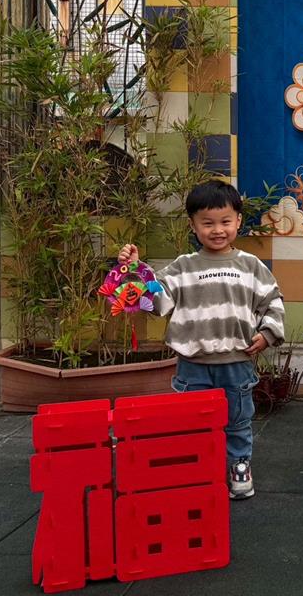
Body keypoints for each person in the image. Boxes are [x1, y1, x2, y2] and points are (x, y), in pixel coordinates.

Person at [118, 180, 284, 500]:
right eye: (207, 223)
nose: (217, 230)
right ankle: (198, 470)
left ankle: (239, 466)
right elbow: (156, 302)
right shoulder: (183, 267)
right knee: (192, 422)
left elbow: (273, 302)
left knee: (238, 421)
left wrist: (267, 334)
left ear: (238, 221)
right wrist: (134, 269)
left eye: (225, 221)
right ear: (193, 225)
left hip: (236, 362)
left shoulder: (251, 266)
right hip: (192, 365)